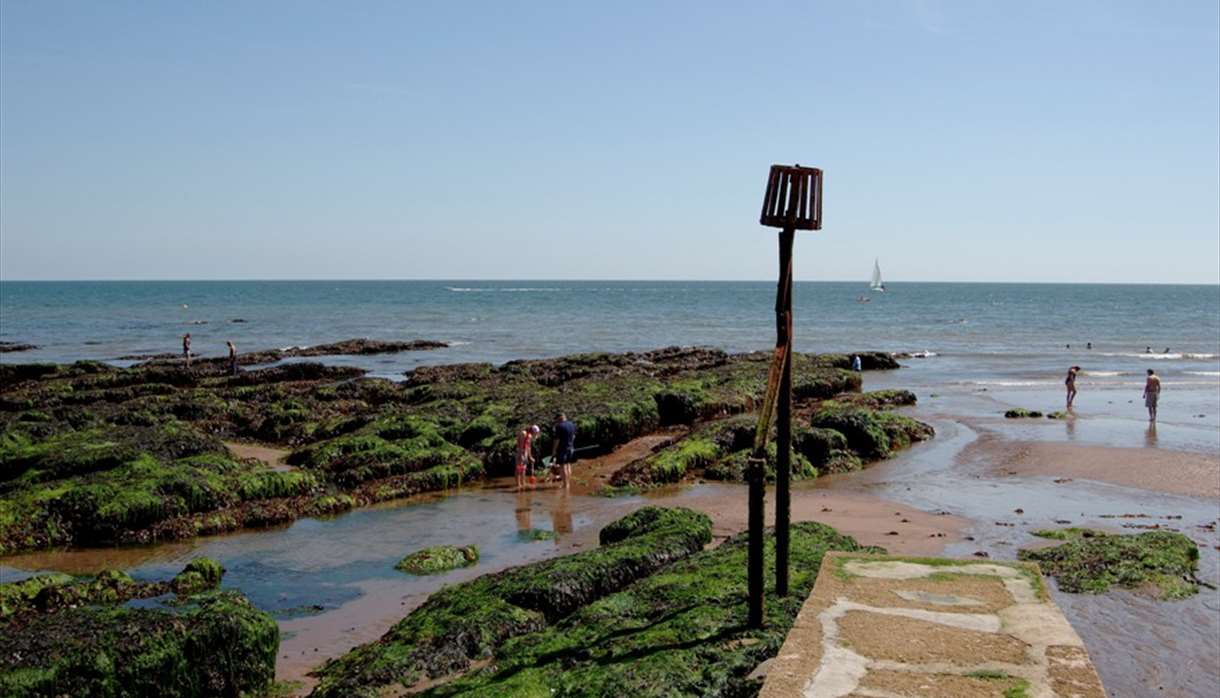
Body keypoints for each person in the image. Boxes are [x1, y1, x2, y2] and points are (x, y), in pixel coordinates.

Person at [551, 413, 577, 486]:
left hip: (562, 449)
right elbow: (574, 436)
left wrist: (554, 451)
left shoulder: (559, 426)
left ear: (559, 418)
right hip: (571, 448)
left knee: (562, 466)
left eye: (556, 420)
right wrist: (570, 443)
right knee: (568, 464)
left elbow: (557, 440)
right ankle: (568, 482)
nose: (556, 422)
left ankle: (565, 484)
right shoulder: (572, 424)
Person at [515, 425, 539, 491]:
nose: (535, 435)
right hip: (520, 452)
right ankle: (518, 485)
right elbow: (521, 446)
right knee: (519, 469)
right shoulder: (524, 433)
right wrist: (521, 456)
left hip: (525, 452)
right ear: (532, 431)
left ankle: (523, 483)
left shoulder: (530, 436)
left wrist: (530, 457)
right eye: (535, 433)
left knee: (524, 469)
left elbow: (528, 447)